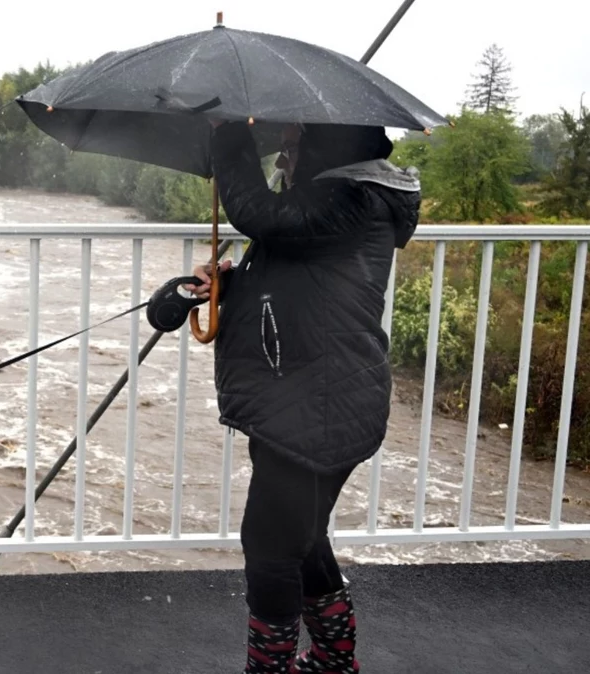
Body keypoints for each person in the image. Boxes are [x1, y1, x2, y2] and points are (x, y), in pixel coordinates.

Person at [185, 119, 421, 673]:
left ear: (329, 146)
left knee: (269, 546)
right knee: (303, 537)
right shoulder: (332, 204)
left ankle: (272, 668)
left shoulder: (356, 200)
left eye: (294, 145)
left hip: (321, 403)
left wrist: (228, 140)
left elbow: (259, 214)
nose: (285, 157)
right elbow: (297, 281)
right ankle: (335, 662)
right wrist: (228, 282)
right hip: (302, 396)